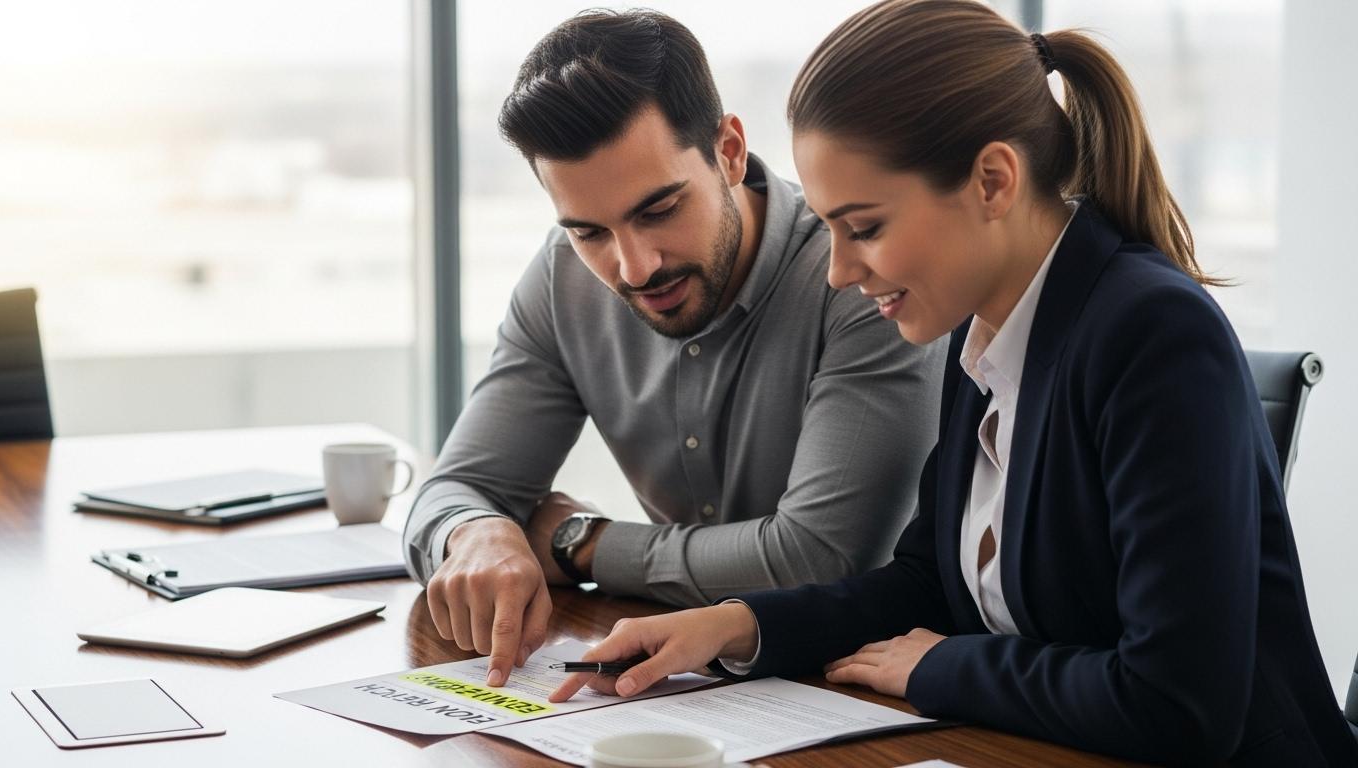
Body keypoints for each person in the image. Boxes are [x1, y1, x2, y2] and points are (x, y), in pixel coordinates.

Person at [549, 2, 1358, 765]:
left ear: (994, 182)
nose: (837, 272)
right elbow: (930, 581)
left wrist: (942, 670)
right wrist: (734, 627)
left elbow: (1179, 704)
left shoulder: (1154, 336)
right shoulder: (984, 329)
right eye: (829, 229)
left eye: (864, 227)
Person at [404, 9, 946, 689]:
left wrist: (581, 543)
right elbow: (455, 490)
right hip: (686, 688)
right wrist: (477, 533)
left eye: (657, 210)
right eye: (588, 231)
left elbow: (818, 557)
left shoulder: (855, 276)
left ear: (729, 151)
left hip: (879, 689)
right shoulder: (562, 281)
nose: (633, 267)